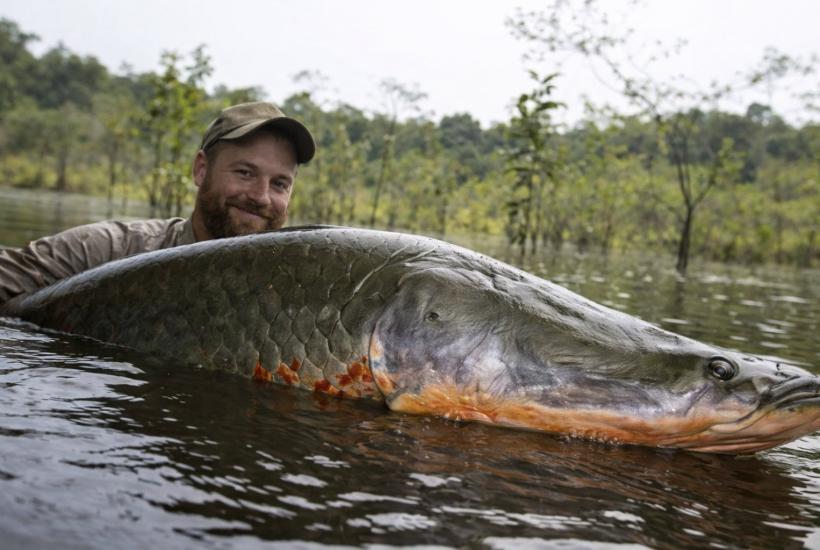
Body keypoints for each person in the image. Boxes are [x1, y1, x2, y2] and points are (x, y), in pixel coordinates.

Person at [0, 101, 315, 306]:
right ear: (201, 169)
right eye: (245, 173)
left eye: (279, 184)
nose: (261, 196)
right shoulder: (113, 250)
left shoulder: (297, 290)